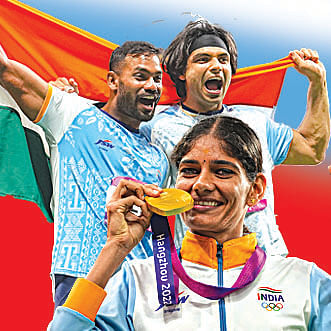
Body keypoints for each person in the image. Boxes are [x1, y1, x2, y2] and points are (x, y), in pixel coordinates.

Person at [48, 116, 331, 330]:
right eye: (189, 170)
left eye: (222, 171)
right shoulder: (135, 283)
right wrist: (114, 248)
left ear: (255, 189)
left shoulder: (305, 282)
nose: (201, 184)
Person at [139, 19, 330, 255]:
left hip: (267, 262)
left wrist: (318, 82)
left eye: (223, 59)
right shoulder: (156, 129)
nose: (217, 66)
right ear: (181, 73)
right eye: (203, 59)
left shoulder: (255, 122)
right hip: (197, 266)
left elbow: (311, 149)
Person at [0, 41, 169, 307]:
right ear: (113, 80)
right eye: (140, 76)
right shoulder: (71, 114)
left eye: (158, 78)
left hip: (146, 287)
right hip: (83, 276)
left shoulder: (159, 151)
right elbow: (6, 70)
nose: (153, 86)